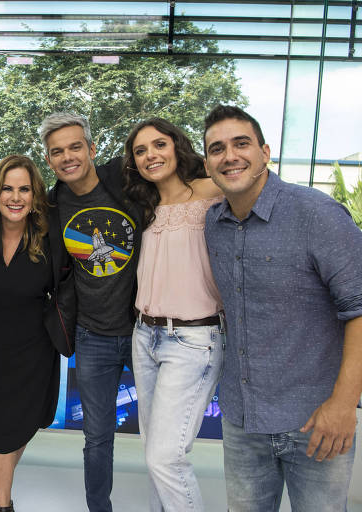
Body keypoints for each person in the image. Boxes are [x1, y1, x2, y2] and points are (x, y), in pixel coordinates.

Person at [203, 105, 362, 510]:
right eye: (217, 149)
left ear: (265, 152)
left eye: (241, 144)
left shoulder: (316, 214)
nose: (230, 156)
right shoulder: (213, 224)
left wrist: (344, 405)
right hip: (243, 421)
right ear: (208, 164)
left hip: (315, 421)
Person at [40, 112, 143, 512]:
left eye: (74, 147)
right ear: (49, 159)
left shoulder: (124, 182)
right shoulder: (54, 204)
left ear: (92, 149)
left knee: (165, 438)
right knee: (98, 438)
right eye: (57, 152)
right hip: (93, 336)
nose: (67, 157)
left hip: (145, 332)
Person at [123, 118, 225, 510]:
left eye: (159, 144)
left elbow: (262, 184)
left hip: (194, 339)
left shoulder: (211, 191)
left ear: (177, 146)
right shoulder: (143, 204)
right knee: (156, 452)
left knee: (166, 457)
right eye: (141, 150)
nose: (151, 155)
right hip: (145, 336)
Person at [0, 155, 60, 512]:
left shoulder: (50, 239)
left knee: (20, 427)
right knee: (0, 431)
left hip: (34, 350)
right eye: (7, 188)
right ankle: (3, 504)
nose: (15, 197)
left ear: (35, 196)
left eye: (24, 189)